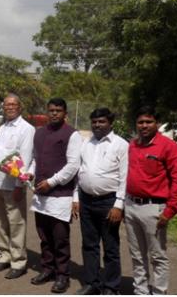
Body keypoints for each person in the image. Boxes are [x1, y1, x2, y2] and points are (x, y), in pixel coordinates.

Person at [125, 105, 177, 295]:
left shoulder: (168, 147)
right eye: (140, 122)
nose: (144, 125)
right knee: (136, 255)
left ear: (157, 123)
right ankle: (141, 291)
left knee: (157, 256)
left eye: (148, 122)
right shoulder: (133, 145)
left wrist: (170, 210)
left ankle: (159, 292)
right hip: (131, 206)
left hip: (154, 210)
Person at [28, 97, 82, 293]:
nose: (54, 113)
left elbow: (73, 166)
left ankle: (62, 275)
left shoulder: (72, 135)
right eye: (51, 110)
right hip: (41, 195)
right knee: (44, 236)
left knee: (60, 239)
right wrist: (30, 173)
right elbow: (35, 158)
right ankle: (47, 269)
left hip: (60, 195)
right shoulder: (39, 133)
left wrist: (51, 182)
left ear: (65, 113)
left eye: (58, 110)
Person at [72, 108, 128, 295]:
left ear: (110, 123)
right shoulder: (86, 143)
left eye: (101, 121)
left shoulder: (121, 145)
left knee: (110, 246)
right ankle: (92, 283)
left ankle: (111, 286)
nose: (97, 125)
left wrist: (118, 205)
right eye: (94, 121)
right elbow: (79, 173)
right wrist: (76, 198)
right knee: (89, 244)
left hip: (109, 203)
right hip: (86, 201)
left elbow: (124, 177)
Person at [0, 93, 35, 280]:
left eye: (13, 104)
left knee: (16, 224)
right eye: (6, 104)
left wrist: (19, 186)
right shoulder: (3, 127)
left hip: (12, 185)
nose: (9, 107)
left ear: (20, 107)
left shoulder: (26, 129)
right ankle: (4, 255)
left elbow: (25, 158)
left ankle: (18, 261)